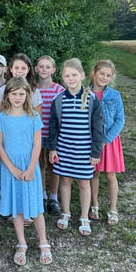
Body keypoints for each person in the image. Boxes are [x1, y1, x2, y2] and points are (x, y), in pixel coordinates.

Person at [0, 77, 52, 266]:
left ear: (28, 95)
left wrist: (31, 168)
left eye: (21, 94)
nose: (17, 97)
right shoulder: (1, 117)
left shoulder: (33, 116)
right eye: (14, 94)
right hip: (9, 167)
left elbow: (37, 144)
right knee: (16, 205)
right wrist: (11, 168)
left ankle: (43, 242)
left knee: (35, 206)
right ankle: (22, 243)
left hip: (30, 166)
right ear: (7, 95)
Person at [48, 58, 104, 236]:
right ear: (62, 78)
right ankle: (65, 212)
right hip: (64, 149)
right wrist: (52, 148)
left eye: (74, 75)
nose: (70, 78)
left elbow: (98, 127)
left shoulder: (92, 99)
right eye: (67, 76)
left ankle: (84, 216)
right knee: (65, 180)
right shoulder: (59, 99)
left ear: (82, 75)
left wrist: (96, 151)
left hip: (84, 150)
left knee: (84, 182)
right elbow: (53, 126)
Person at [89, 59, 125, 225]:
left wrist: (106, 139)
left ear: (111, 77)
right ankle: (94, 205)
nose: (104, 77)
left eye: (108, 75)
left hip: (109, 141)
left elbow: (120, 120)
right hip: (91, 140)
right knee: (93, 173)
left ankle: (113, 208)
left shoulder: (114, 95)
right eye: (101, 73)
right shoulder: (85, 94)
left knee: (110, 174)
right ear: (94, 73)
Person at [35, 55, 65, 215]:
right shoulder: (33, 89)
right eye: (41, 66)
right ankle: (42, 195)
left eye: (48, 67)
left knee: (54, 165)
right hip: (38, 134)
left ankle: (54, 197)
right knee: (39, 164)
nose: (44, 69)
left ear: (53, 69)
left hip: (54, 135)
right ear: (36, 69)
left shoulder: (59, 90)